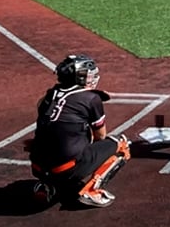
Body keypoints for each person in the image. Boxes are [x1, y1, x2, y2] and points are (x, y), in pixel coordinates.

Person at [28, 54, 132, 208]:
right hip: (66, 169)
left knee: (56, 141)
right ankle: (91, 190)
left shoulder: (50, 94)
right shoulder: (91, 99)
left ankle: (48, 186)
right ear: (81, 77)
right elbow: (101, 136)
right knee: (121, 144)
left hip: (37, 166)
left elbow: (46, 113)